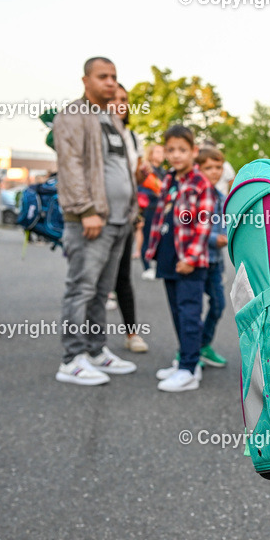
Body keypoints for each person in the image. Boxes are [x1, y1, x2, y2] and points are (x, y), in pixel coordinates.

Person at [54, 56, 138, 386]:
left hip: (119, 221)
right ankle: (71, 359)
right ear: (85, 80)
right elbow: (71, 164)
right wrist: (86, 209)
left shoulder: (111, 118)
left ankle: (95, 350)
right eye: (102, 76)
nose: (110, 82)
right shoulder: (73, 115)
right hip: (90, 219)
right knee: (82, 290)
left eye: (114, 77)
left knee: (102, 292)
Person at [144, 125, 215, 392]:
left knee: (189, 312)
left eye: (182, 150)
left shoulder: (201, 183)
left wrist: (192, 257)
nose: (176, 155)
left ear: (194, 152)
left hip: (189, 260)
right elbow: (160, 217)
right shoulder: (170, 180)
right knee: (176, 311)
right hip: (168, 255)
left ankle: (188, 369)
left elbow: (204, 225)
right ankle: (187, 360)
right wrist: (152, 252)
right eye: (171, 150)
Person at [107, 84, 149, 354]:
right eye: (114, 99)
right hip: (100, 216)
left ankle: (132, 333)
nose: (120, 104)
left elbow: (134, 178)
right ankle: (90, 343)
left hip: (126, 215)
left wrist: (142, 175)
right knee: (96, 281)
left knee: (123, 277)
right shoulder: (94, 131)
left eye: (124, 100)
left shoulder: (134, 138)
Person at [194, 146, 228, 368]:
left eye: (218, 167)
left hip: (215, 261)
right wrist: (215, 238)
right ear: (198, 169)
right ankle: (188, 351)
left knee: (218, 304)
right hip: (197, 260)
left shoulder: (221, 196)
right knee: (192, 309)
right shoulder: (195, 194)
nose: (214, 172)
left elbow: (226, 223)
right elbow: (192, 226)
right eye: (209, 168)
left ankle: (203, 345)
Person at [139, 143, 166, 279]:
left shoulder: (163, 171)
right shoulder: (146, 170)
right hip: (149, 208)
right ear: (150, 154)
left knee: (160, 237)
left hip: (161, 209)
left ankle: (156, 265)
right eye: (157, 152)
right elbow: (141, 189)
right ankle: (147, 267)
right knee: (148, 237)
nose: (161, 154)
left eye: (162, 152)